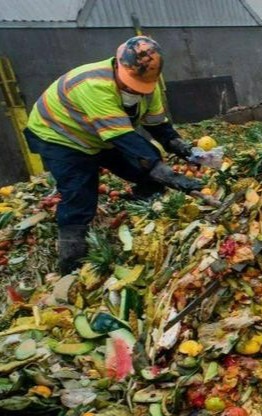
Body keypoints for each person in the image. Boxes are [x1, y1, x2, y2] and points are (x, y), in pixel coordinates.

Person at [23, 36, 203, 275]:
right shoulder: (94, 84)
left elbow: (157, 125)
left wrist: (181, 147)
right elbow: (123, 139)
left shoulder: (149, 85)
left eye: (139, 87)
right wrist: (166, 173)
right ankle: (71, 261)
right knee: (80, 192)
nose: (134, 91)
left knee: (141, 169)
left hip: (102, 134)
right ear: (118, 66)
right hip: (60, 136)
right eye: (129, 85)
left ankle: (144, 208)